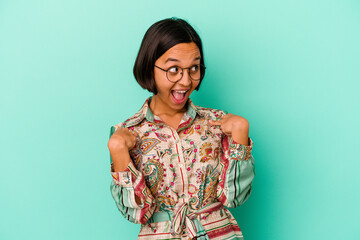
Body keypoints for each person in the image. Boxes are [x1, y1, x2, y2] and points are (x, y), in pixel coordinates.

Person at [107, 17, 255, 240]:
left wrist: (241, 135)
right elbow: (136, 213)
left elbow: (234, 198)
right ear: (150, 66)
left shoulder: (219, 124)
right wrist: (118, 150)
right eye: (174, 69)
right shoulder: (127, 133)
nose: (186, 81)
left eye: (194, 68)